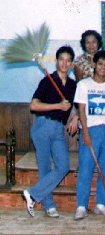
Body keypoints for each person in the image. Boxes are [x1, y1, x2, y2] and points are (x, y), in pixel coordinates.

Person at [22, 46, 78, 218]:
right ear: (56, 61)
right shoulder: (47, 80)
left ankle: (31, 194)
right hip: (43, 126)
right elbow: (34, 105)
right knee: (44, 168)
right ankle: (49, 205)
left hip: (58, 129)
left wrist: (76, 117)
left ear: (71, 63)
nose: (64, 63)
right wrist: (57, 106)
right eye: (61, 59)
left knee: (63, 166)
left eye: (68, 60)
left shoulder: (72, 85)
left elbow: (76, 106)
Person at [73, 50, 105, 220]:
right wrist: (85, 133)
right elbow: (81, 110)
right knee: (86, 168)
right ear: (94, 65)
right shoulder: (84, 85)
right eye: (100, 64)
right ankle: (81, 206)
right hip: (91, 130)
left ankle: (101, 204)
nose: (103, 67)